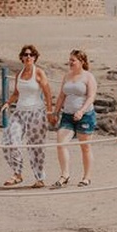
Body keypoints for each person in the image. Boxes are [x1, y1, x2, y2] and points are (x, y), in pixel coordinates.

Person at [0, 45, 54, 188]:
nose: (28, 57)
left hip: (36, 112)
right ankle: (17, 173)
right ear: (22, 57)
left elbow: (48, 93)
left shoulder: (39, 73)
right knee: (9, 140)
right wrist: (8, 103)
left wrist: (49, 112)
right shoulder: (19, 74)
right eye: (25, 54)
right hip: (19, 112)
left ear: (35, 57)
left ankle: (40, 178)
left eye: (31, 55)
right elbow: (16, 93)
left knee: (36, 146)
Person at [51, 49, 98, 188]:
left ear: (81, 62)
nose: (70, 62)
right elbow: (61, 95)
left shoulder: (88, 77)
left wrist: (82, 111)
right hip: (67, 115)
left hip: (85, 115)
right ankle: (65, 174)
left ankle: (86, 177)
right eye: (69, 60)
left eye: (73, 60)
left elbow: (91, 96)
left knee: (85, 147)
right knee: (61, 143)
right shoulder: (67, 76)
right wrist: (56, 112)